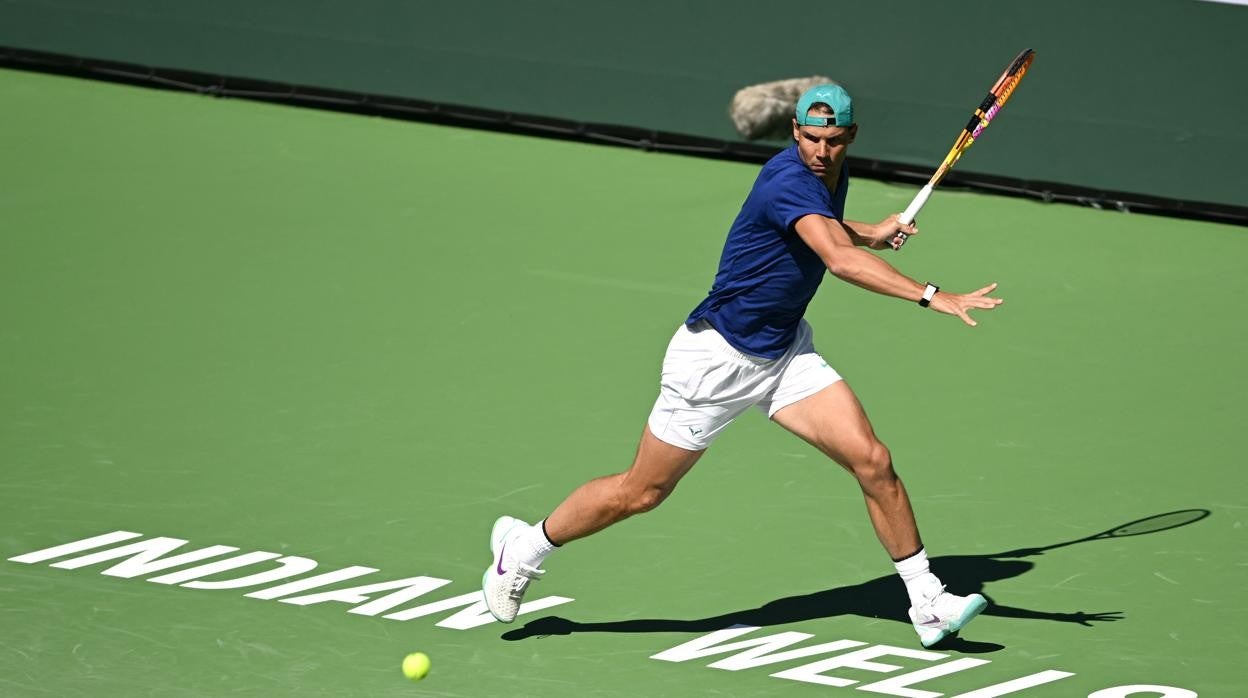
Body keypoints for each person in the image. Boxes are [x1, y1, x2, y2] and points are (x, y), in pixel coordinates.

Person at [481, 84, 1003, 648]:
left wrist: (872, 230)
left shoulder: (829, 173)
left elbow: (827, 230)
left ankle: (926, 600)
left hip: (782, 354)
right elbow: (836, 258)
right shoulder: (789, 178)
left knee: (873, 461)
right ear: (794, 133)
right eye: (809, 139)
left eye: (832, 140)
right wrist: (932, 294)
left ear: (849, 137)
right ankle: (525, 548)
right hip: (714, 361)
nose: (821, 151)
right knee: (642, 492)